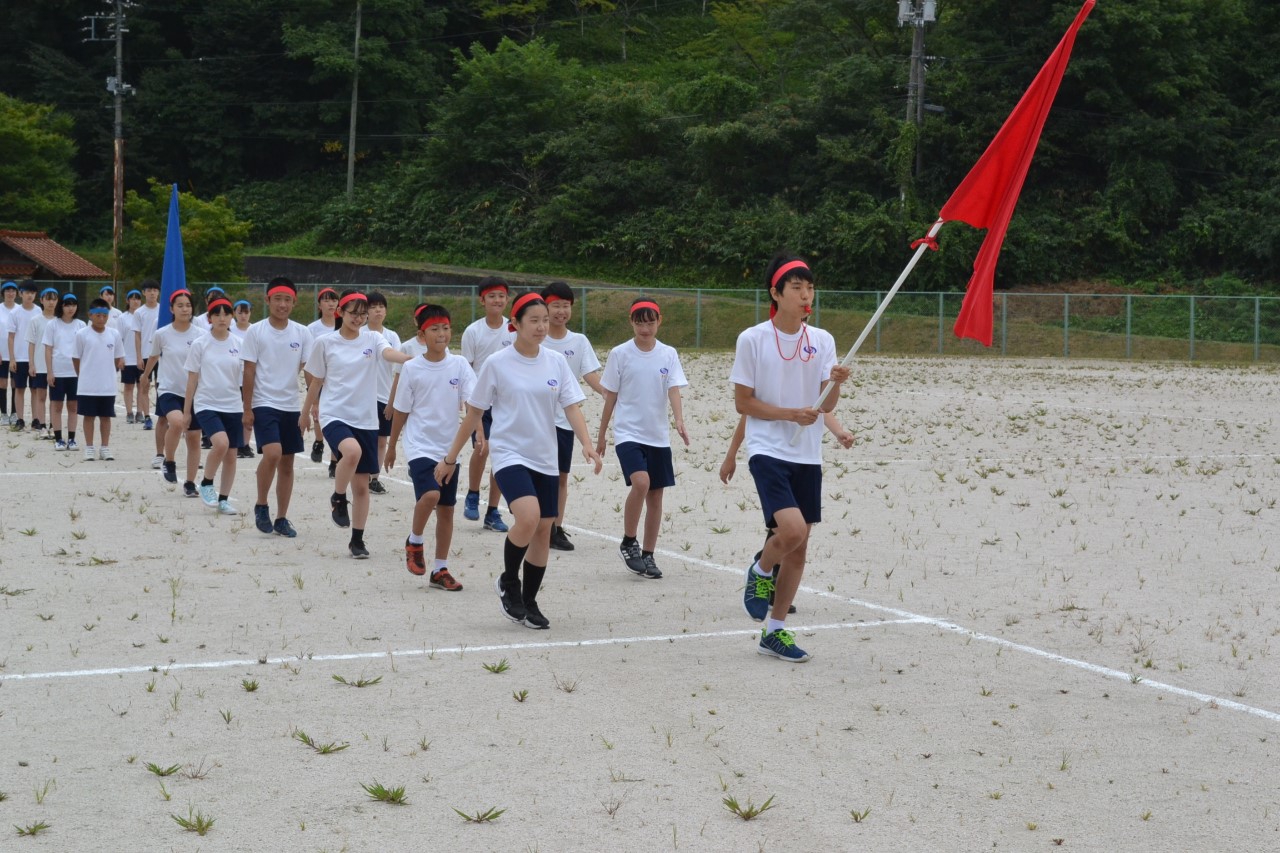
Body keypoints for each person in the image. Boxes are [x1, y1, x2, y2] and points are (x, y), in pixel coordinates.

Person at [438, 292, 603, 630]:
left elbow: (571, 406)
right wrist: (451, 458)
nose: (542, 326)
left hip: (545, 454)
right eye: (535, 320)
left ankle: (530, 601)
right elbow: (475, 412)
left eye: (545, 320)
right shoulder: (497, 363)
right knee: (528, 518)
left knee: (544, 529)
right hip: (510, 453)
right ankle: (509, 581)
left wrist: (587, 444)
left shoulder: (555, 361)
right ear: (516, 325)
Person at [730, 254, 851, 662]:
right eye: (796, 287)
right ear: (776, 293)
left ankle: (774, 630)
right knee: (792, 530)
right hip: (767, 448)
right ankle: (761, 570)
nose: (805, 295)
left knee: (799, 549)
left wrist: (834, 383)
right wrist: (789, 415)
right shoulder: (753, 338)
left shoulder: (822, 340)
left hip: (807, 454)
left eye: (809, 288)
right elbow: (742, 403)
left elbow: (826, 402)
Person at [299, 290, 413, 559]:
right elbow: (316, 381)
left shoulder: (373, 338)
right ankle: (338, 497)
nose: (359, 318)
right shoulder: (325, 343)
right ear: (340, 312)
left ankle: (357, 540)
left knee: (362, 487)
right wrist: (305, 413)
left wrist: (412, 360)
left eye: (363, 314)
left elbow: (389, 354)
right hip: (334, 412)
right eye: (354, 313)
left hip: (365, 418)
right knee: (351, 452)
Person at [719, 411, 855, 615]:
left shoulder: (811, 382)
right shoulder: (768, 383)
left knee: (796, 541)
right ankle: (763, 568)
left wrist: (838, 431)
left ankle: (772, 589)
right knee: (789, 529)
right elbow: (747, 411)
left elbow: (821, 406)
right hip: (769, 453)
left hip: (806, 459)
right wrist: (731, 455)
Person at [595, 298, 690, 580]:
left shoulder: (668, 354)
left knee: (656, 496)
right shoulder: (620, 354)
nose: (645, 328)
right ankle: (628, 541)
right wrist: (601, 435)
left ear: (660, 321)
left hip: (657, 435)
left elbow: (673, 388)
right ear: (631, 322)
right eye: (639, 322)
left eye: (650, 322)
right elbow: (610, 395)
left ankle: (648, 554)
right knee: (641, 482)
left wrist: (679, 420)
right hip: (628, 433)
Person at [384, 304, 473, 590]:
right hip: (420, 444)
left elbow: (474, 403)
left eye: (445, 328)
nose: (441, 334)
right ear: (422, 334)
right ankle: (415, 541)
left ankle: (440, 569)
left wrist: (480, 430)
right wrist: (392, 446)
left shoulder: (459, 365)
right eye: (434, 329)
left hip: (449, 448)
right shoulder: (412, 367)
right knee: (431, 495)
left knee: (447, 509)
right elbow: (401, 410)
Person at [240, 277, 312, 538]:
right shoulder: (256, 331)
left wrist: (310, 409)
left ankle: (282, 518)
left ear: (295, 302)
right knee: (272, 453)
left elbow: (311, 374)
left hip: (291, 405)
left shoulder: (303, 333)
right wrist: (247, 409)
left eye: (287, 300)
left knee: (287, 463)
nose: (282, 304)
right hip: (264, 402)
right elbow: (248, 372)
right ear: (267, 300)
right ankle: (261, 504)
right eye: (277, 299)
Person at [538, 281, 605, 552]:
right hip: (536, 421)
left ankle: (555, 528)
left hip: (564, 420)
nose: (561, 311)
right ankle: (537, 523)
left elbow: (589, 374)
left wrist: (609, 394)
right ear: (544, 307)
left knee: (561, 477)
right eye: (556, 305)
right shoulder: (536, 339)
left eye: (566, 306)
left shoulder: (578, 341)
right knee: (538, 475)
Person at [459, 277, 514, 533]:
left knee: (501, 455)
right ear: (482, 300)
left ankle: (493, 511)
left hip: (507, 402)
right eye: (492, 296)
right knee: (482, 448)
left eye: (501, 296)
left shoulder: (514, 329)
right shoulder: (473, 331)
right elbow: (467, 371)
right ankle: (472, 494)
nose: (497, 301)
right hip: (481, 403)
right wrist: (469, 403)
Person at [183, 297, 242, 515]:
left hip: (233, 405)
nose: (222, 318)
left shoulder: (239, 344)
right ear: (209, 318)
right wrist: (186, 411)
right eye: (217, 314)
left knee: (231, 454)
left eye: (226, 313)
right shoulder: (200, 344)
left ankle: (224, 499)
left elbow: (246, 379)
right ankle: (207, 483)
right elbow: (191, 379)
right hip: (207, 403)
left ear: (231, 317)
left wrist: (248, 409)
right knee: (221, 443)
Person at [144, 289, 204, 498]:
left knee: (194, 438)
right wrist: (145, 377)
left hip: (195, 392)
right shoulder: (162, 334)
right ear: (171, 309)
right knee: (177, 423)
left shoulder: (200, 334)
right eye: (180, 305)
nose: (184, 309)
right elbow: (153, 357)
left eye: (187, 305)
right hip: (169, 389)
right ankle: (169, 460)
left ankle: (189, 483)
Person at [72, 298, 125, 461]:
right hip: (87, 385)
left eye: (104, 315)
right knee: (88, 416)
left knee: (105, 417)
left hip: (107, 385)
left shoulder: (114, 334)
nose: (101, 319)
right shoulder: (82, 334)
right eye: (98, 315)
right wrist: (83, 375)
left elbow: (119, 357)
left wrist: (119, 364)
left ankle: (105, 447)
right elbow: (76, 358)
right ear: (90, 315)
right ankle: (89, 447)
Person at [365, 291, 400, 496]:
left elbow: (397, 370)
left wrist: (393, 400)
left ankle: (375, 478)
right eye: (373, 306)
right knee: (365, 438)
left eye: (381, 306)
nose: (378, 310)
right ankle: (361, 473)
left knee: (381, 439)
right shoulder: (360, 333)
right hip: (363, 396)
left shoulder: (391, 336)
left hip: (385, 395)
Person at [42, 293, 85, 452]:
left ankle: (72, 439)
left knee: (73, 406)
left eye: (73, 304)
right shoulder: (53, 325)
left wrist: (83, 372)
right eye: (67, 304)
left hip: (75, 373)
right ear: (61, 306)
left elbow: (84, 350)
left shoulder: (81, 325)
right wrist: (49, 372)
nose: (70, 308)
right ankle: (59, 438)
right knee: (57, 405)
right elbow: (48, 349)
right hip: (58, 372)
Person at [306, 287, 339, 468]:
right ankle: (319, 440)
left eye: (334, 300)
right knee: (318, 414)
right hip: (318, 377)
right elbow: (309, 362)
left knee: (337, 417)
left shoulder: (343, 325)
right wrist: (313, 391)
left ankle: (334, 461)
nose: (331, 304)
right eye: (326, 300)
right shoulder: (312, 329)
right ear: (319, 305)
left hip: (337, 380)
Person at [25, 288, 59, 440]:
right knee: (40, 396)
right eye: (48, 299)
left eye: (54, 299)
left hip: (56, 366)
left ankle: (53, 425)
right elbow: (31, 344)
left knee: (55, 398)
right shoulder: (35, 321)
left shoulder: (60, 321)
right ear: (42, 300)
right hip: (40, 365)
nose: (51, 302)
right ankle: (42, 426)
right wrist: (31, 364)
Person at [7, 281, 40, 431]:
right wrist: (12, 358)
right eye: (27, 292)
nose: (30, 295)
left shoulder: (39, 311)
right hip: (20, 358)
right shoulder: (15, 313)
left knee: (35, 390)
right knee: (19, 389)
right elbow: (11, 337)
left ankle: (36, 419)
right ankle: (20, 419)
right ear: (21, 294)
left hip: (35, 359)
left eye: (32, 293)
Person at [134, 279, 161, 432]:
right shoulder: (139, 312)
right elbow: (137, 335)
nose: (152, 293)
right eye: (149, 290)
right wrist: (138, 356)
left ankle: (162, 414)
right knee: (144, 385)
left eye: (155, 290)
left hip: (162, 354)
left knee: (161, 385)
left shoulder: (164, 309)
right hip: (146, 353)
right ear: (144, 293)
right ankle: (147, 417)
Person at [230, 299, 255, 459]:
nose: (243, 316)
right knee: (236, 412)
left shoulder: (255, 330)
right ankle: (237, 442)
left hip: (250, 378)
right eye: (240, 312)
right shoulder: (230, 330)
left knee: (249, 410)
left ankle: (245, 444)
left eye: (246, 312)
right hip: (233, 378)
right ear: (234, 313)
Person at [119, 289, 143, 423]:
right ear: (128, 301)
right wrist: (121, 357)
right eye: (133, 298)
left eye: (138, 298)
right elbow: (119, 339)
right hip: (128, 358)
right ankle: (129, 412)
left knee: (142, 386)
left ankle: (140, 412)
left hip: (141, 357)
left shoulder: (142, 315)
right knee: (129, 386)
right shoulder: (123, 318)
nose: (135, 301)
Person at [0, 281, 16, 424]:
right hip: (2, 354)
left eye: (13, 290)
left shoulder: (19, 310)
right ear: (3, 293)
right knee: (2, 383)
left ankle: (15, 413)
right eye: (7, 290)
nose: (10, 293)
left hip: (16, 355)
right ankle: (4, 413)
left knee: (16, 384)